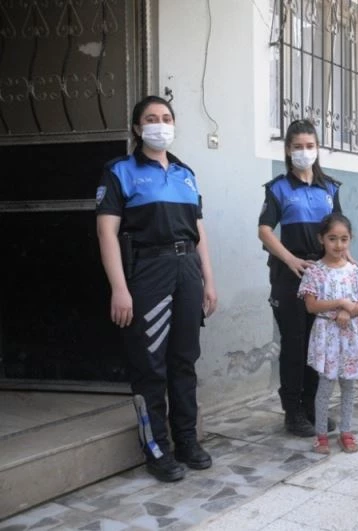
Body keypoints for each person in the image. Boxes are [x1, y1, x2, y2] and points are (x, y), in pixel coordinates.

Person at [96, 95, 218, 482]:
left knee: (184, 359)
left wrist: (208, 280)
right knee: (149, 365)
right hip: (148, 270)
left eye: (166, 118)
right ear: (137, 128)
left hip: (187, 270)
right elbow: (106, 232)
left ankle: (186, 440)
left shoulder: (185, 173)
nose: (160, 125)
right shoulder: (120, 171)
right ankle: (156, 447)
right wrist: (119, 288)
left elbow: (199, 231)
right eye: (151, 119)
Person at [258, 119, 344, 437]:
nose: (304, 152)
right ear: (287, 150)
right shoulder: (278, 188)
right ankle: (292, 411)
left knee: (317, 343)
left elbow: (338, 230)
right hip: (290, 274)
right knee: (294, 344)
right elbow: (265, 230)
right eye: (298, 147)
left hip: (323, 276)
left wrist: (345, 261)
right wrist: (290, 259)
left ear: (317, 148)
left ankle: (311, 406)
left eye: (310, 146)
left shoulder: (330, 188)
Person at [298, 213, 358, 455]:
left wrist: (349, 311)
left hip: (350, 336)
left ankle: (346, 432)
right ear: (321, 239)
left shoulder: (353, 270)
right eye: (332, 239)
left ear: (350, 239)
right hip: (327, 335)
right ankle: (321, 435)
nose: (338, 245)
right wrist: (340, 303)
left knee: (349, 385)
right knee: (325, 386)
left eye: (344, 239)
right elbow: (311, 305)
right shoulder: (315, 271)